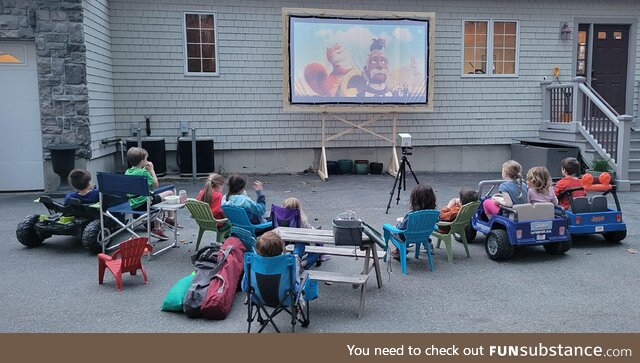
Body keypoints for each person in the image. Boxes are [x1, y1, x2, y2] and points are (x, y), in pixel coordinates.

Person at [125, 147, 175, 240]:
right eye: (146, 159)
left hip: (134, 204)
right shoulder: (143, 172)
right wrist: (151, 170)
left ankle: (158, 228)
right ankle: (169, 218)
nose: (147, 161)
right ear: (142, 161)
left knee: (156, 201)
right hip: (146, 203)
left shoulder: (128, 172)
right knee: (170, 192)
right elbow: (155, 185)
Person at [391, 184, 437, 260]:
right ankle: (428, 245)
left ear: (414, 199)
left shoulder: (411, 214)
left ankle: (400, 250)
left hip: (408, 237)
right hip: (423, 236)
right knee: (422, 226)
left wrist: (398, 224)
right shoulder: (434, 213)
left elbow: (402, 228)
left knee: (391, 230)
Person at [282, 197, 327, 269]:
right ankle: (304, 264)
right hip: (302, 240)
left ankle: (294, 262)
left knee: (295, 249)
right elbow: (308, 231)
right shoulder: (301, 221)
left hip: (288, 241)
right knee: (316, 252)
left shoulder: (282, 219)